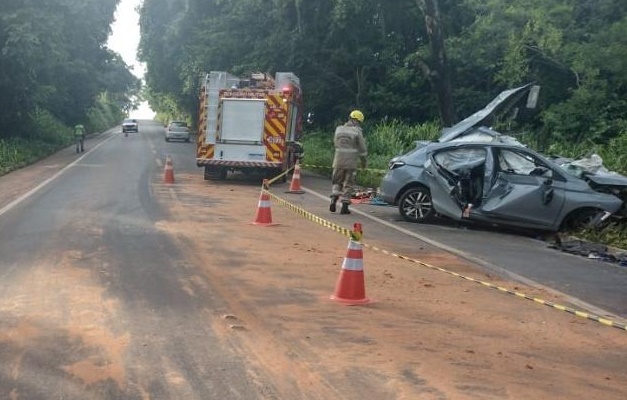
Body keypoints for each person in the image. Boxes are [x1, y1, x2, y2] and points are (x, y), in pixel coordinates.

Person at [330, 110, 368, 214]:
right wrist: (364, 163)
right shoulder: (357, 132)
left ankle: (333, 200)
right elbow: (363, 149)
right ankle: (344, 207)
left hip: (338, 161)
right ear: (357, 121)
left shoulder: (339, 129)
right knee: (349, 183)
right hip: (351, 163)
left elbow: (335, 143)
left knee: (337, 181)